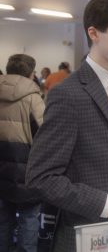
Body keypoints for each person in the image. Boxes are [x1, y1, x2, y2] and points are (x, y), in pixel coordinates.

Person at [26, 0, 108, 252]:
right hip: (86, 234)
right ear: (94, 33)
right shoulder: (67, 94)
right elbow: (40, 178)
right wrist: (107, 205)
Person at [0, 54, 45, 252]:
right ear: (30, 73)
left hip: (1, 170)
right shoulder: (33, 98)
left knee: (3, 221)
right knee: (28, 219)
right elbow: (45, 135)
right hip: (27, 169)